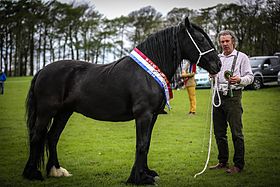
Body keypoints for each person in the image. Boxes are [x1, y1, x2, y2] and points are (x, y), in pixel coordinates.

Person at [209, 30, 254, 174]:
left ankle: (238, 165)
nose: (225, 44)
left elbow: (250, 77)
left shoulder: (242, 57)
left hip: (233, 96)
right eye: (222, 42)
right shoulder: (217, 57)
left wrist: (240, 80)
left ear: (233, 41)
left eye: (227, 41)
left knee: (236, 133)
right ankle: (222, 161)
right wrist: (212, 75)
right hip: (217, 96)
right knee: (219, 132)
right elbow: (214, 76)